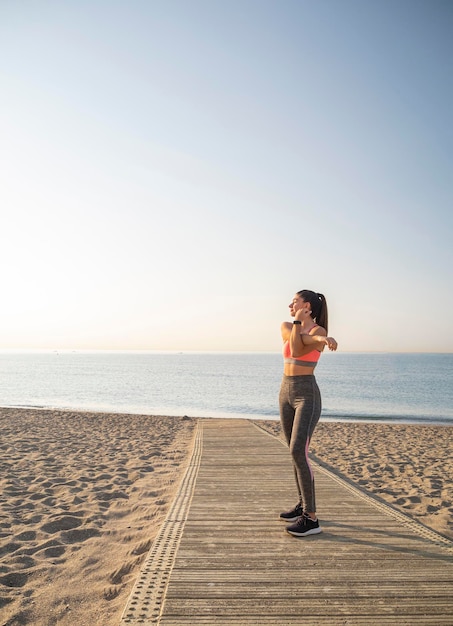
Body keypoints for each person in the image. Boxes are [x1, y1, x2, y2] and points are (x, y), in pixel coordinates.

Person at [279, 290, 337, 537]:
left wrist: (320, 339)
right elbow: (296, 345)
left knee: (297, 450)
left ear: (308, 307)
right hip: (285, 391)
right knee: (293, 451)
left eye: (295, 301)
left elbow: (299, 349)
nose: (290, 304)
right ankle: (302, 504)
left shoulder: (318, 331)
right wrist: (311, 336)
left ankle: (311, 518)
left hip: (306, 394)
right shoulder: (286, 326)